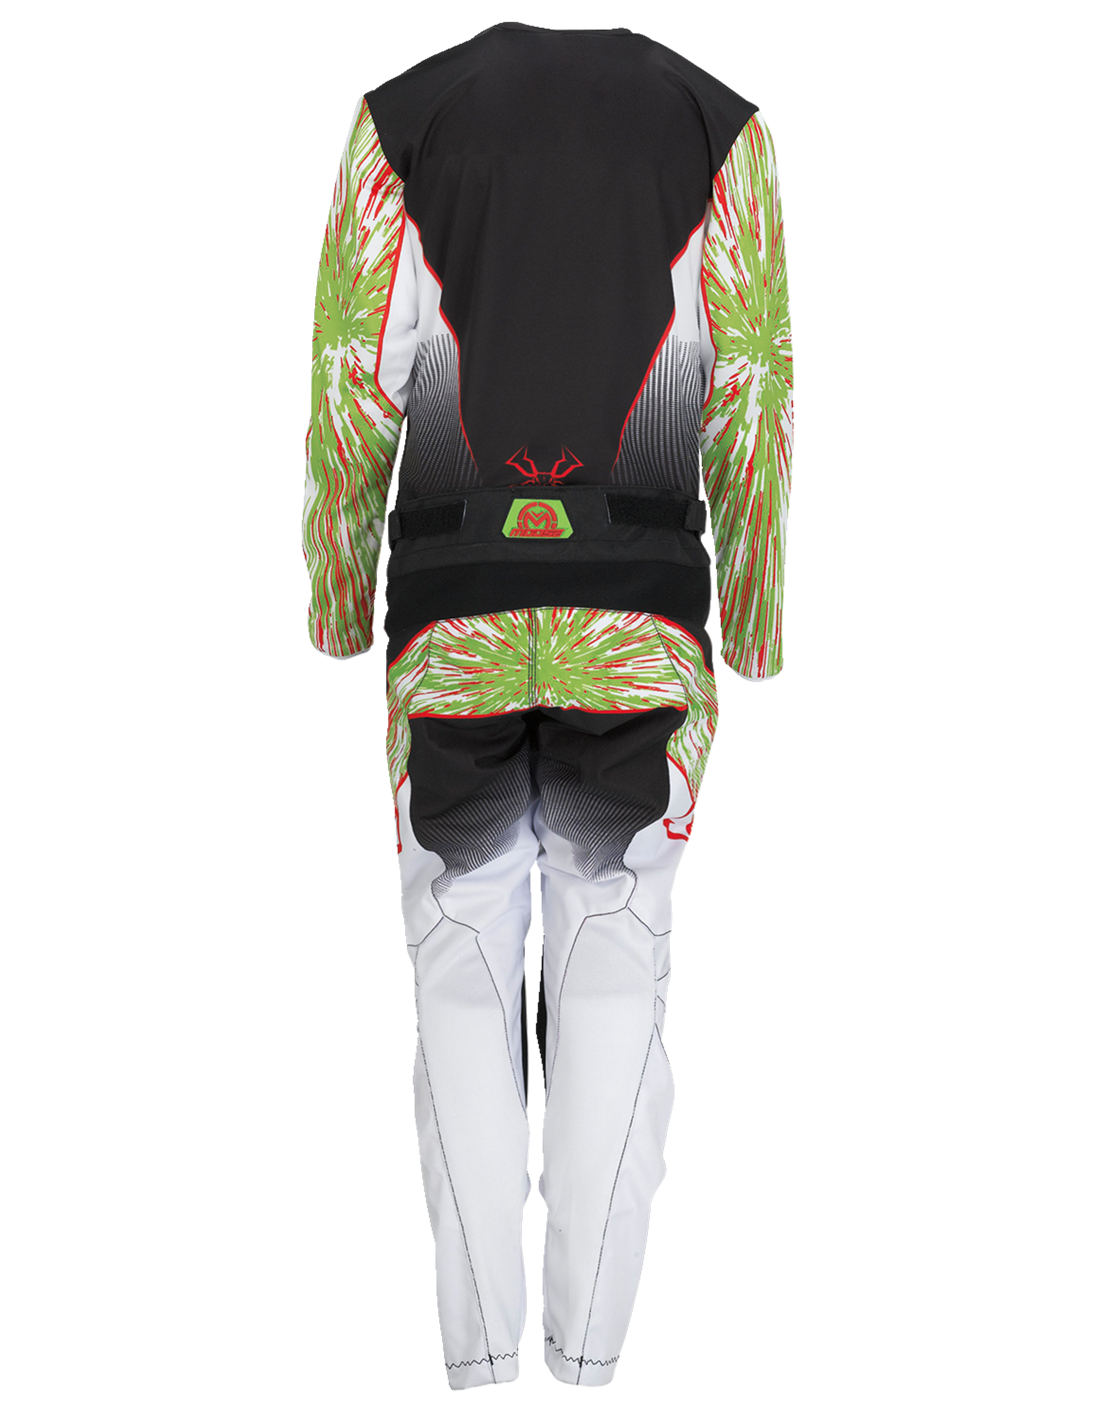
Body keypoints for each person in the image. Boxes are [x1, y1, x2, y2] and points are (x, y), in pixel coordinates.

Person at [301, 23, 794, 1390]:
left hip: (450, 615)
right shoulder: (721, 130)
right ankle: (587, 1352)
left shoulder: (398, 122)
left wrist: (339, 602)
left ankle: (478, 1353)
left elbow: (351, 379)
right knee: (617, 975)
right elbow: (754, 396)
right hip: (641, 622)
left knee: (459, 981)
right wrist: (753, 624)